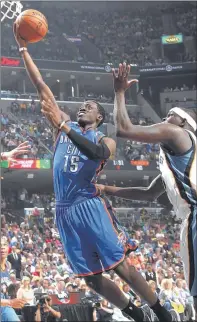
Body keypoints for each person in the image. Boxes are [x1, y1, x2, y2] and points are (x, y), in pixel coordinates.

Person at [13, 23, 179, 322]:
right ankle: (134, 312)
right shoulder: (63, 128)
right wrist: (23, 48)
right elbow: (41, 86)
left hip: (90, 205)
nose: (81, 108)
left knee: (120, 265)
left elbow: (98, 155)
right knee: (89, 277)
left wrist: (64, 126)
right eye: (81, 106)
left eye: (88, 107)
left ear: (99, 117)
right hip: (63, 211)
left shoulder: (105, 139)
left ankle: (161, 312)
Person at [96, 62, 197, 319]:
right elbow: (148, 193)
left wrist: (119, 92)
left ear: (184, 122)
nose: (164, 120)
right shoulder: (181, 160)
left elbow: (124, 129)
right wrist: (108, 188)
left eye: (170, 115)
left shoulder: (177, 133)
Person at [0, 237, 27, 322]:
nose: (2, 247)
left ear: (8, 248)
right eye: (0, 245)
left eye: (4, 245)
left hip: (5, 306)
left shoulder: (8, 265)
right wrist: (11, 302)